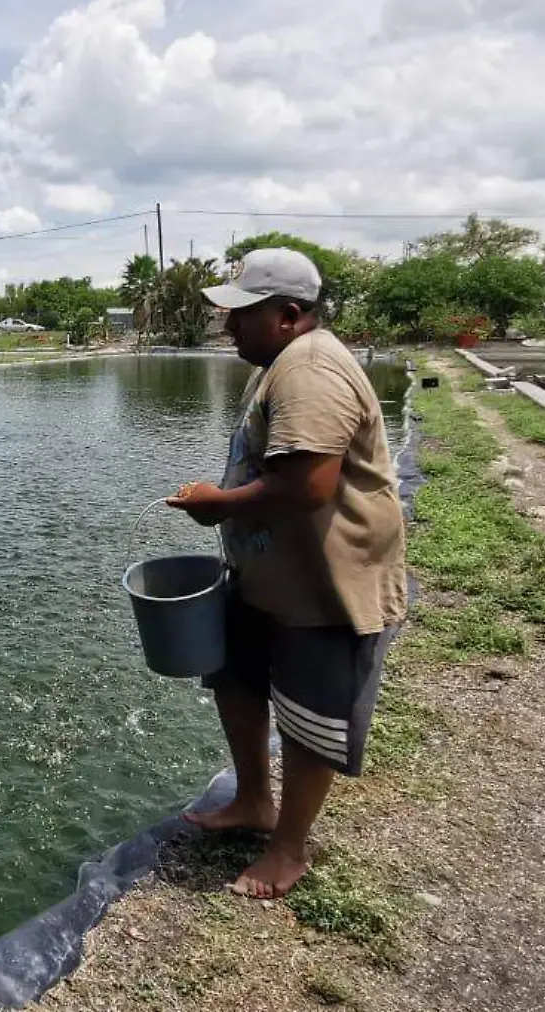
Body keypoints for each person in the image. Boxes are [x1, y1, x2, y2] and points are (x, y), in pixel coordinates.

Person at [165, 247, 407, 898]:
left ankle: (289, 849)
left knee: (308, 716)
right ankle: (252, 800)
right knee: (237, 679)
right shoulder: (279, 362)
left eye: (242, 314)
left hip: (325, 585)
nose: (229, 327)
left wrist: (217, 506)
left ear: (290, 314)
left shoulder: (311, 368)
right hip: (269, 577)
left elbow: (307, 486)